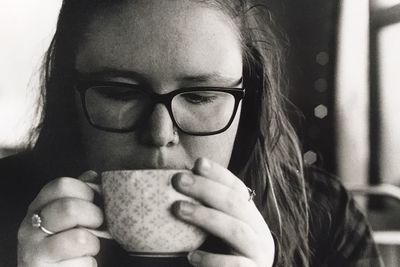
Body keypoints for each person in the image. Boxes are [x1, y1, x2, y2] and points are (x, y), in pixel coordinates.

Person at [0, 0, 383, 266]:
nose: (160, 132)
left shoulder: (326, 218)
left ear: (247, 105)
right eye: (119, 92)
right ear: (71, 98)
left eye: (200, 97)